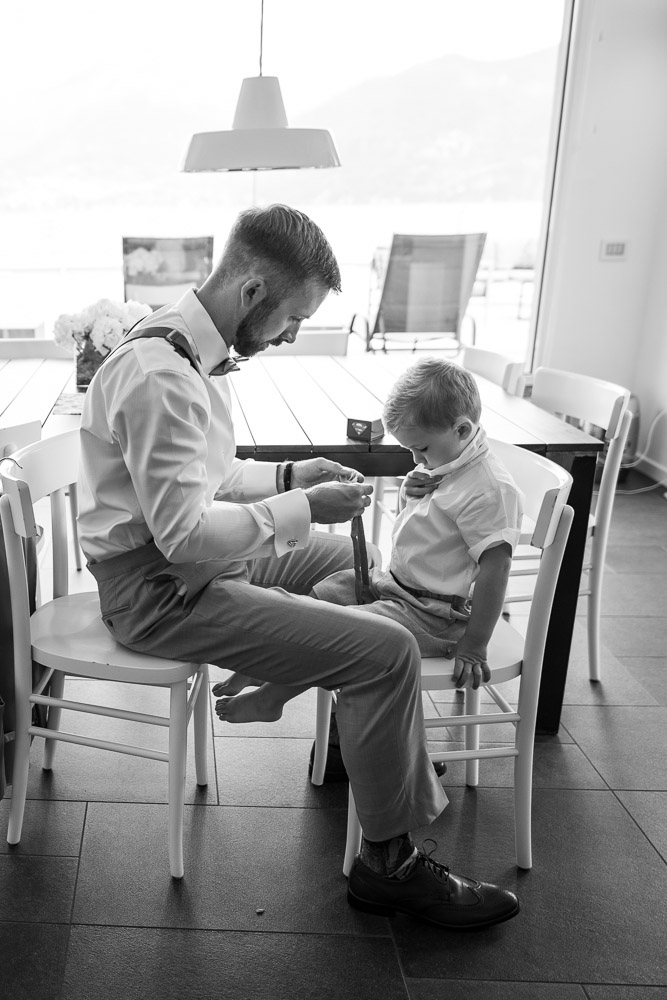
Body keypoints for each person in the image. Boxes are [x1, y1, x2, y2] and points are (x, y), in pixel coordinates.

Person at [77, 204, 519, 930]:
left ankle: (359, 742)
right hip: (159, 591)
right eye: (292, 317)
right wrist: (303, 506)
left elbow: (201, 480)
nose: (290, 335)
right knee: (387, 647)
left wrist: (289, 477)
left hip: (191, 564)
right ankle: (388, 867)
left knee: (365, 568)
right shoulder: (162, 374)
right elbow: (184, 534)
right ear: (251, 289)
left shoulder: (187, 345)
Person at [217, 357, 523, 725]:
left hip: (434, 614)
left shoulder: (488, 488)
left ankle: (272, 697)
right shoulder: (448, 460)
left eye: (422, 449)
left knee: (337, 632)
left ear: (462, 429)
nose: (416, 458)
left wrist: (474, 644)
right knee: (318, 600)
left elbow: (496, 569)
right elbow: (429, 529)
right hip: (396, 585)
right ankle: (270, 664)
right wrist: (409, 492)